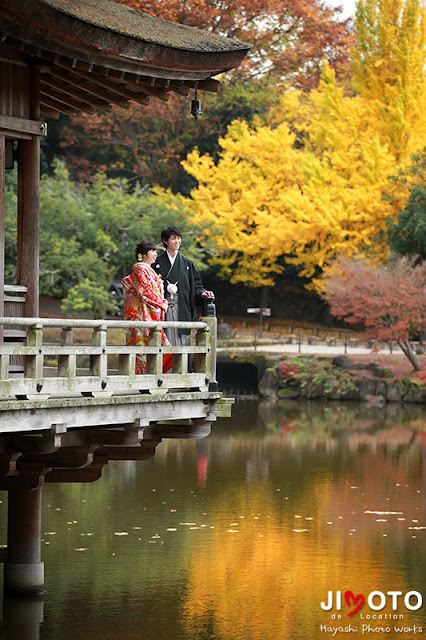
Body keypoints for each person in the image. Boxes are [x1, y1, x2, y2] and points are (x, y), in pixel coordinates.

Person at [153, 225, 214, 346]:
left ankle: (182, 365)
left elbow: (196, 285)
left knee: (182, 341)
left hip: (182, 305)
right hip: (163, 307)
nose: (178, 241)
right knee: (165, 338)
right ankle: (166, 365)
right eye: (174, 238)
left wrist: (202, 292)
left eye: (179, 238)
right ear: (165, 241)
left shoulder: (187, 263)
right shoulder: (157, 263)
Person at [121, 240, 172, 374]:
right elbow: (145, 291)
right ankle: (141, 378)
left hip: (149, 315)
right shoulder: (140, 268)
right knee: (142, 346)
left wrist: (162, 302)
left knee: (155, 346)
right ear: (143, 255)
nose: (155, 254)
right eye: (152, 251)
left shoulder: (149, 270)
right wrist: (161, 303)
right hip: (141, 316)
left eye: (155, 251)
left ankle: (149, 375)